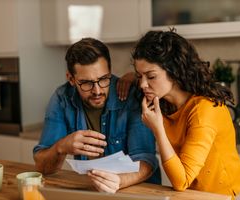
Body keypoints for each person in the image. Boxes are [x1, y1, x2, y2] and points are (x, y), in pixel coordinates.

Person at [33, 38, 161, 193]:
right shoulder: (62, 98)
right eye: (86, 83)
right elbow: (42, 166)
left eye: (103, 79)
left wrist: (119, 181)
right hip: (91, 191)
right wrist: (61, 147)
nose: (97, 91)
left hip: (139, 192)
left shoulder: (131, 94)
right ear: (71, 79)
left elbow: (146, 159)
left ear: (110, 71)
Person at [130, 30, 240, 199]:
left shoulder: (203, 111)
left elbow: (181, 181)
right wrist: (127, 79)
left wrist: (158, 129)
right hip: (192, 194)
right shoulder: (162, 100)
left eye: (151, 76)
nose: (142, 84)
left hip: (224, 195)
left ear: (175, 71)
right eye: (139, 75)